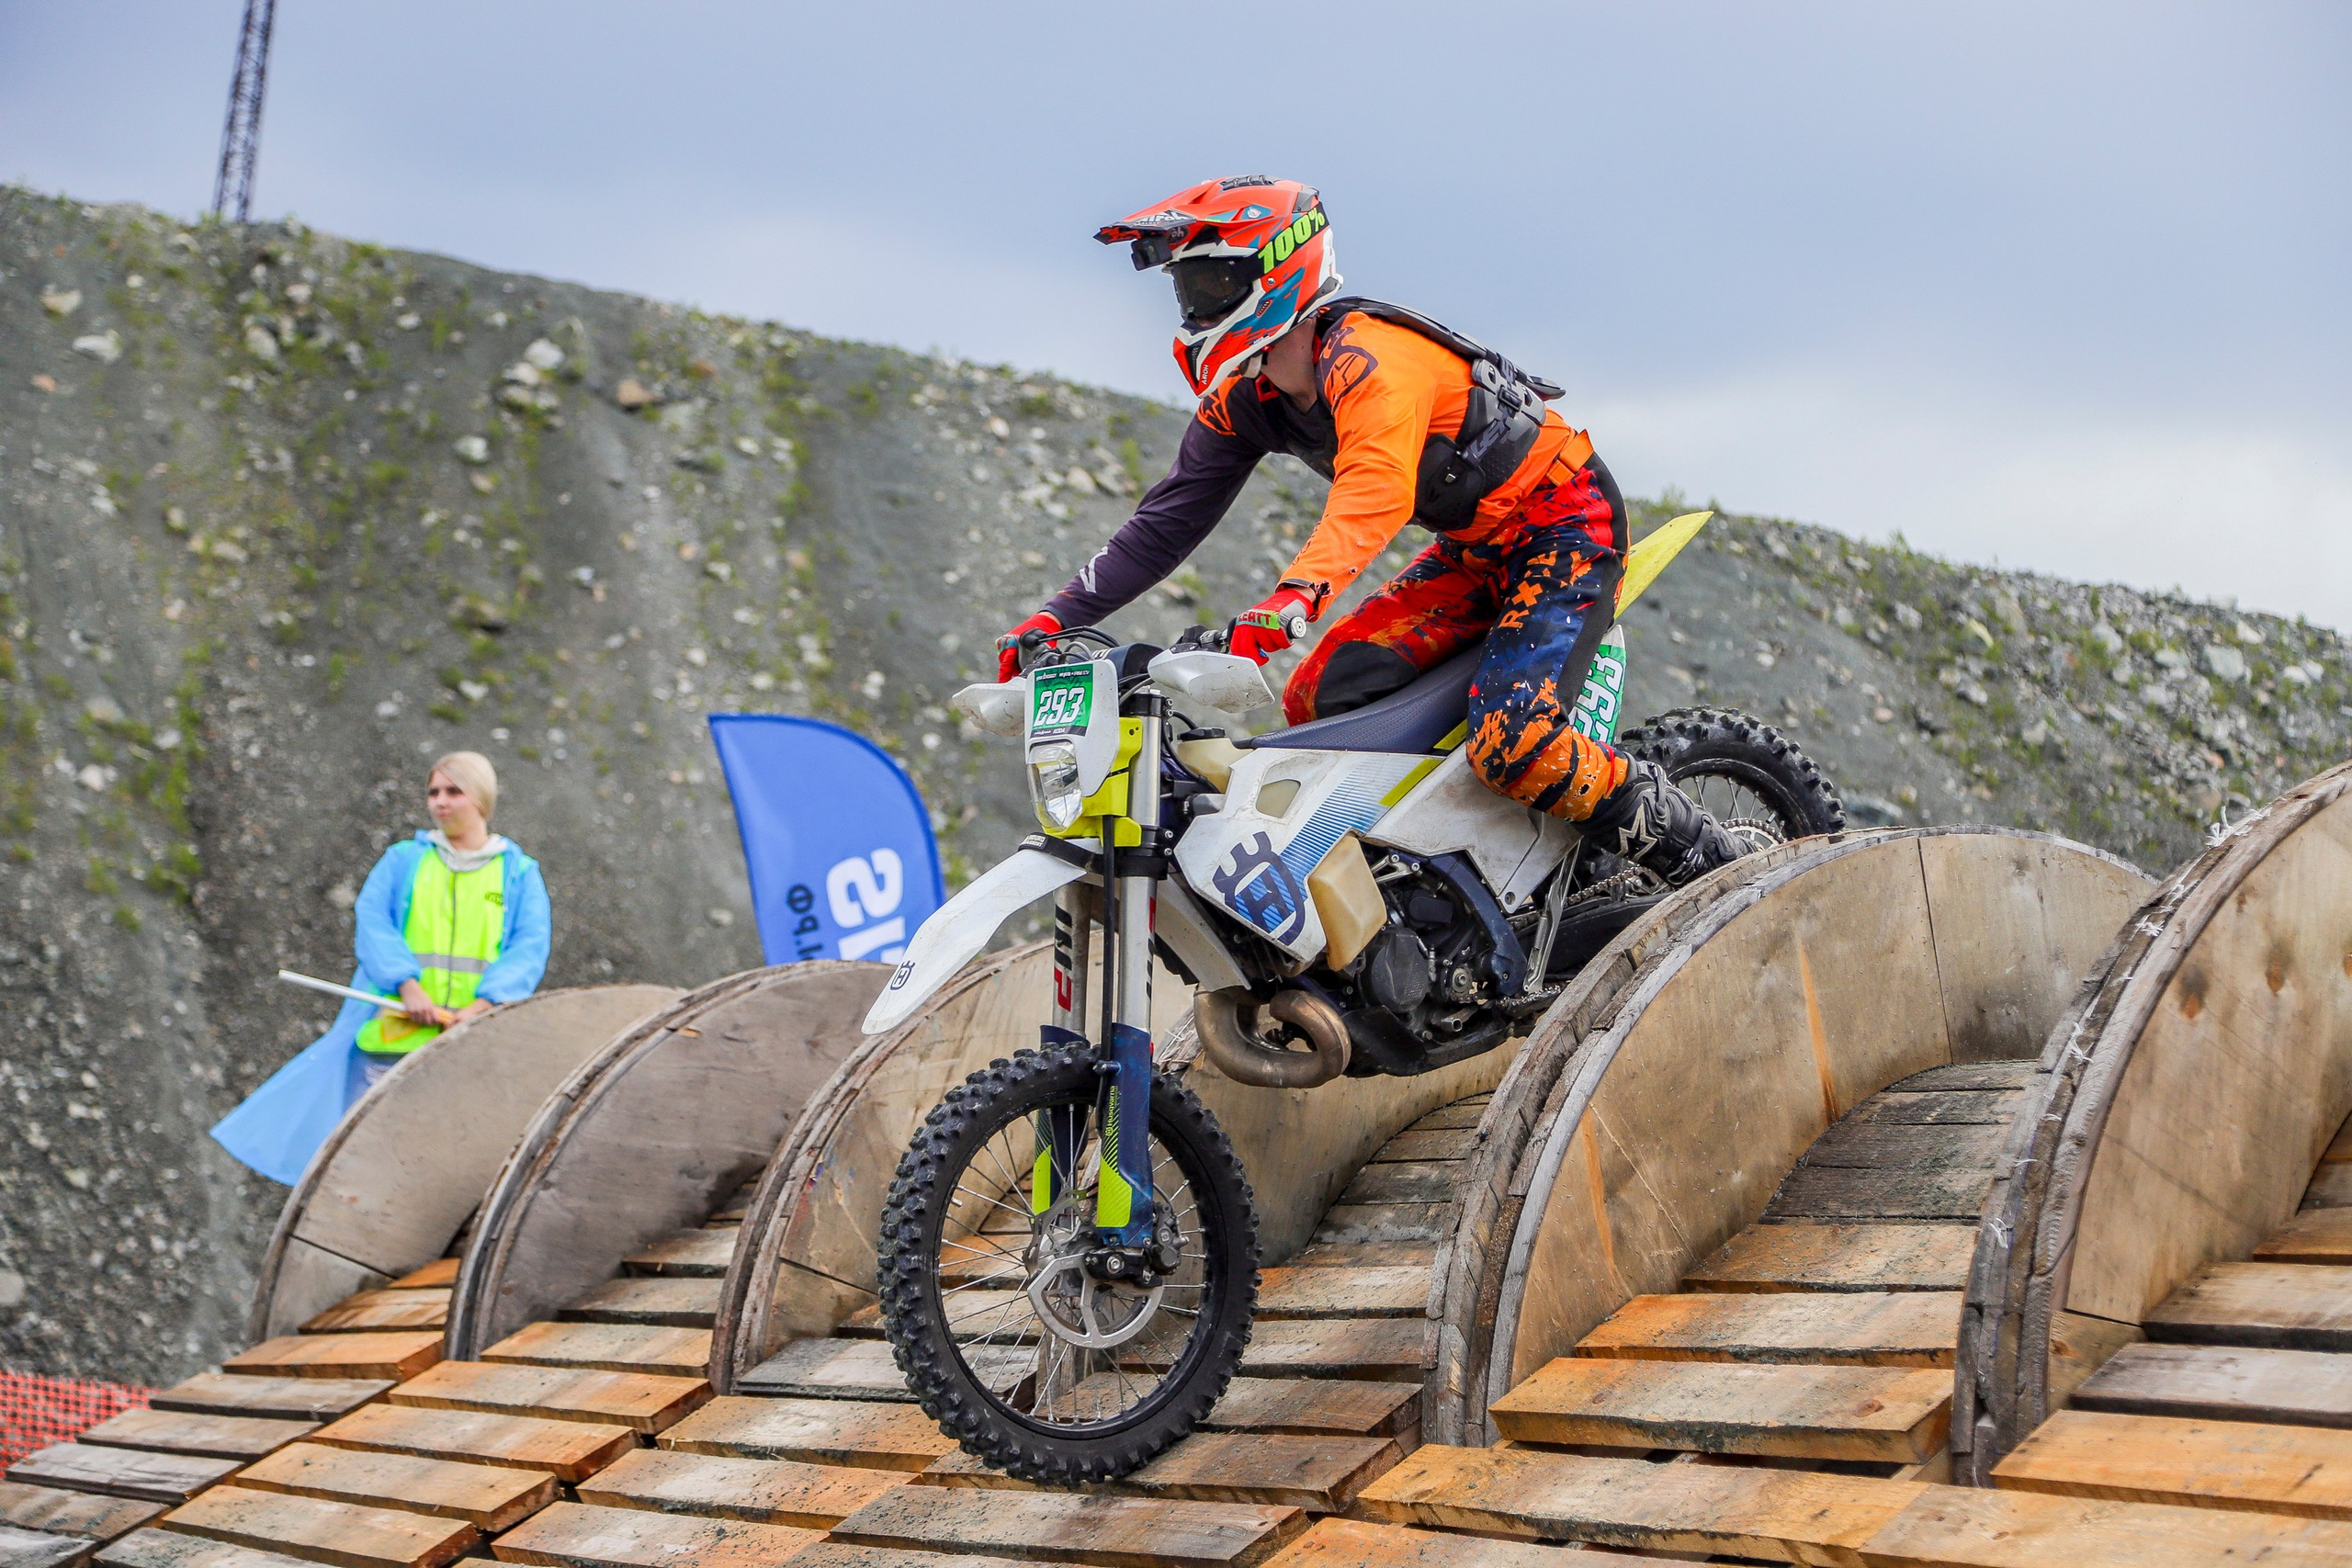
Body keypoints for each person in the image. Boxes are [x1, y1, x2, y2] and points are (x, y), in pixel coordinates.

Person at [998, 177, 1740, 886]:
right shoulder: (1248, 398)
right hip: (1476, 551)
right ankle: (1427, 874)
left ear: (1278, 269)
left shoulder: (1368, 357)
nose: (1195, 307)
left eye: (1213, 283)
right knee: (1317, 702)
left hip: (1565, 523)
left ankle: (1719, 865)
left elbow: (1376, 487)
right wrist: (1061, 614)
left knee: (1517, 744)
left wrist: (1289, 601)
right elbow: (1169, 518)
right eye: (1189, 289)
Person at [209, 751, 552, 1183]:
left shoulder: (519, 874)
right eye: (433, 792)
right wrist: (407, 986)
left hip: (471, 1047)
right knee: (364, 1168)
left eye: (453, 791)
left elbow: (529, 947)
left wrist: (482, 1006)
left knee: (446, 1174)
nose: (439, 802)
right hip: (390, 1044)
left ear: (480, 799)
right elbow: (373, 922)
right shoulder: (404, 861)